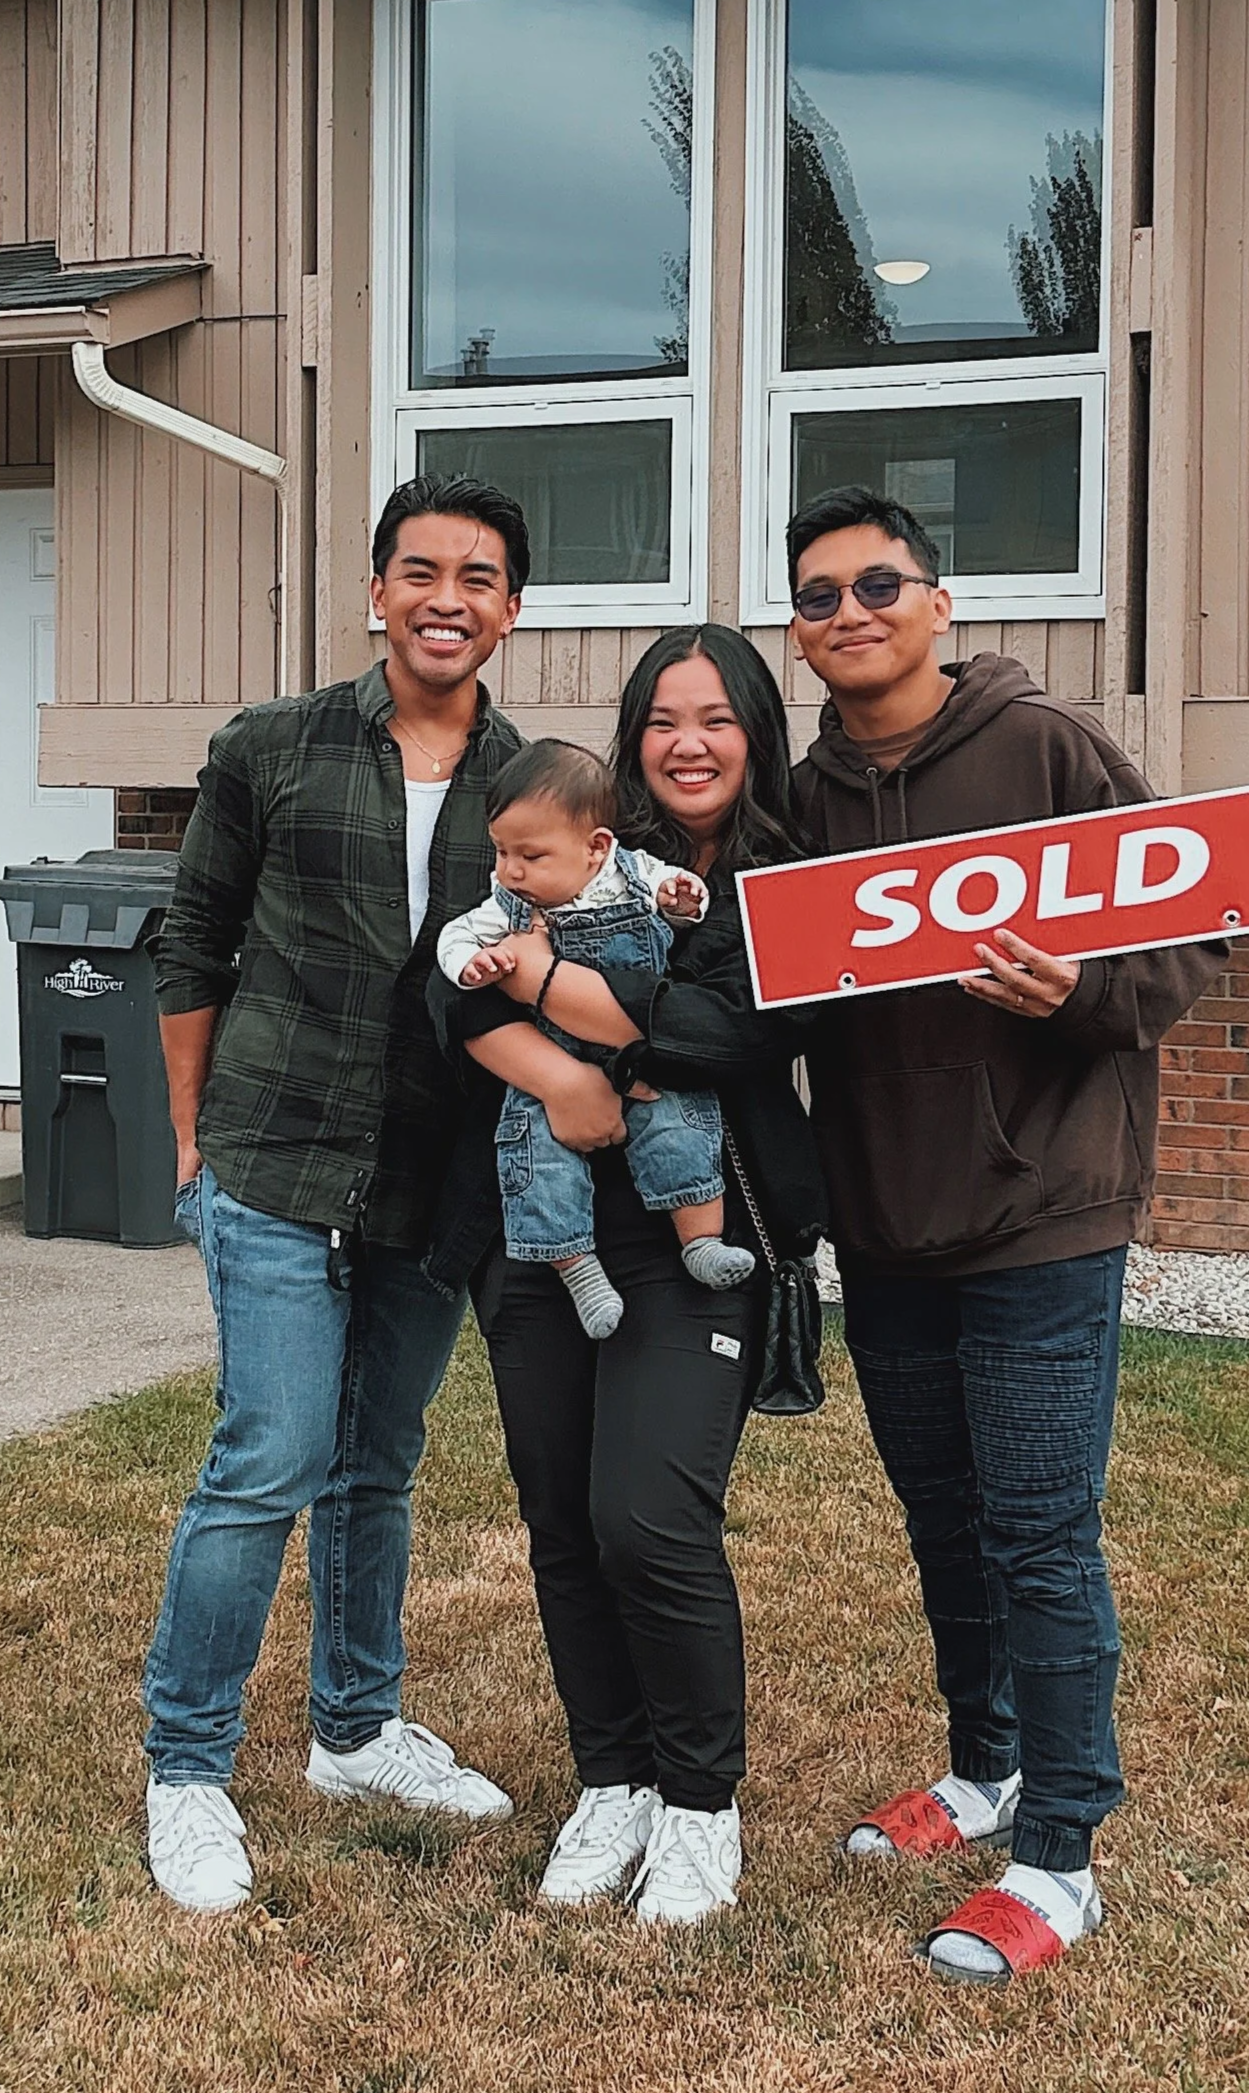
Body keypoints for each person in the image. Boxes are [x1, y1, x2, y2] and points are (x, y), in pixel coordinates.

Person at [786, 485, 1225, 1981]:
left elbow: (1198, 919)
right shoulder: (804, 798)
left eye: (876, 584)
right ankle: (983, 1768)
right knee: (942, 1517)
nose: (849, 611)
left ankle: (1059, 1853)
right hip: (886, 1224)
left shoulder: (1045, 748)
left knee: (1039, 1531)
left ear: (938, 603)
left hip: (1043, 1210)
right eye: (820, 595)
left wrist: (1082, 992)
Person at [138, 474, 532, 1915]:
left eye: (477, 575)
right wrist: (191, 1138)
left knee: (380, 1455)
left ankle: (356, 1729)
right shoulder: (273, 749)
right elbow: (190, 941)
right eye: (418, 570)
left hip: (429, 1183)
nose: (447, 597)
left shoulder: (532, 785)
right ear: (374, 592)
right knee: (270, 1454)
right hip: (275, 1159)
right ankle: (185, 1765)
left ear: (508, 608)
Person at [427, 624, 826, 1927]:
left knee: (644, 1517)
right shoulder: (561, 837)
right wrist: (560, 1063)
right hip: (538, 1239)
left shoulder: (779, 879)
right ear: (631, 737)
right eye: (662, 716)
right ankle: (615, 1779)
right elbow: (451, 993)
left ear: (755, 732)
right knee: (559, 1523)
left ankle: (700, 1806)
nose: (688, 740)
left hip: (693, 1243)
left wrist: (545, 982)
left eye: (716, 716)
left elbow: (724, 1032)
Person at [437, 737, 754, 1339]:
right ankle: (577, 1268)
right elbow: (455, 940)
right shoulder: (507, 904)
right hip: (554, 1057)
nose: (511, 870)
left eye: (531, 855)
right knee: (537, 1154)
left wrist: (682, 902)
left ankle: (700, 1240)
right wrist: (470, 966)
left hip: (643, 1059)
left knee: (682, 1125)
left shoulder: (635, 874)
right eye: (502, 851)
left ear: (597, 847)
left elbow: (685, 900)